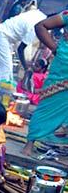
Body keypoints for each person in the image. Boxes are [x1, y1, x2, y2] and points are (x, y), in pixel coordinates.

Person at [22, 11, 68, 155]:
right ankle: (30, 143)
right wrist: (55, 48)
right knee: (49, 102)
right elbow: (40, 26)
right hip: (64, 64)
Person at [0, 7, 46, 98]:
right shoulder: (36, 27)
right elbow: (20, 49)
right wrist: (26, 67)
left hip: (4, 36)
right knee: (5, 70)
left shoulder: (40, 15)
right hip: (2, 37)